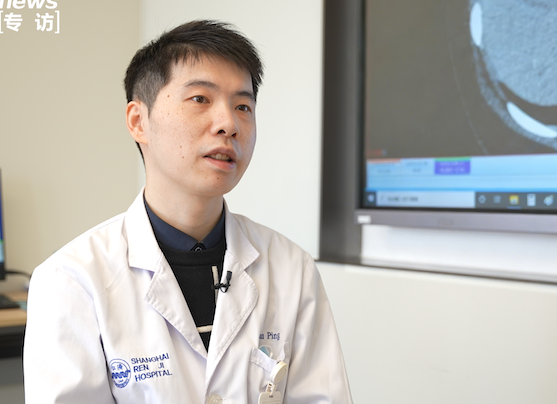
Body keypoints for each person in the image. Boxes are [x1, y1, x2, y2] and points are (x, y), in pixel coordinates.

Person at [23, 20, 353, 403]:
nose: (229, 124)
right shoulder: (73, 280)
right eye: (200, 99)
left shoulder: (291, 268)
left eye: (243, 106)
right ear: (139, 122)